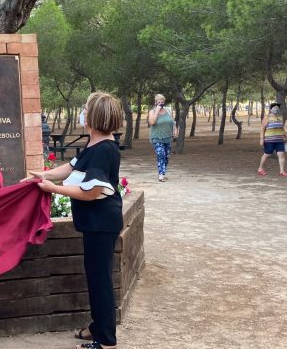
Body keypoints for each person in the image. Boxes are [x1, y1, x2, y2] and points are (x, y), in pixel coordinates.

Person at [23, 92, 123, 349]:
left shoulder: (103, 150)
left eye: (86, 108)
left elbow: (91, 192)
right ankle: (97, 326)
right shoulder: (94, 144)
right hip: (95, 224)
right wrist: (42, 174)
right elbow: (70, 167)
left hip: (102, 224)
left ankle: (106, 340)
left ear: (94, 116)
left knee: (100, 280)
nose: (83, 111)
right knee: (94, 276)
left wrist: (53, 189)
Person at [147, 94, 178, 182]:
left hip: (168, 137)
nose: (161, 103)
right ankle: (161, 174)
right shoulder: (152, 111)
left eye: (162, 102)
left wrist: (175, 129)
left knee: (166, 156)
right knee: (161, 154)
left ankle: (163, 172)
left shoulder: (168, 110)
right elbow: (152, 122)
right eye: (159, 102)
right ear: (156, 102)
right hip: (156, 137)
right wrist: (157, 110)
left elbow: (172, 122)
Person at [257, 103, 287, 176]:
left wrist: (285, 136)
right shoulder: (266, 118)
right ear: (270, 109)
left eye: (277, 108)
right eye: (274, 108)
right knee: (267, 154)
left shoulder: (280, 117)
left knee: (281, 155)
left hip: (280, 140)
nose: (276, 109)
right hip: (269, 140)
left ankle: (282, 171)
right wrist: (261, 139)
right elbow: (262, 129)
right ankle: (260, 168)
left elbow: (282, 128)